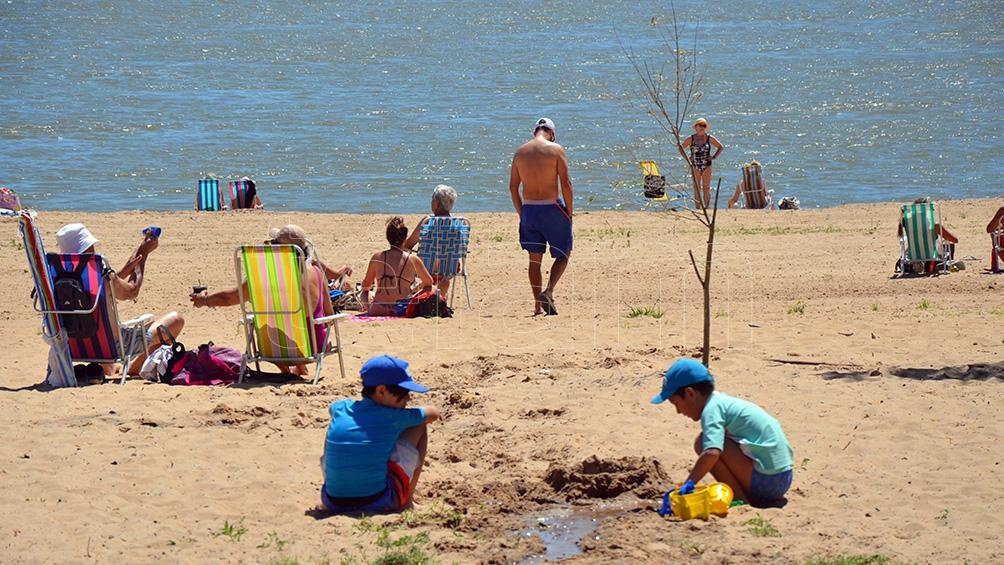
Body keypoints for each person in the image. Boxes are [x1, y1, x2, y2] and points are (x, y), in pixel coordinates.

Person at [189, 224, 332, 375]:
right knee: (290, 324)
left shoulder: (263, 277)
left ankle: (287, 371)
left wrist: (203, 300)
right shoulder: (317, 272)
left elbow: (229, 298)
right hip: (315, 348)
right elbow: (329, 315)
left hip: (275, 350)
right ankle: (300, 367)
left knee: (269, 326)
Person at [650, 358, 793, 507]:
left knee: (703, 443)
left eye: (676, 404)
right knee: (712, 441)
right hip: (783, 478)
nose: (678, 411)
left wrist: (689, 484)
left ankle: (739, 498)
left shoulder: (711, 409)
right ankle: (747, 494)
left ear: (690, 393)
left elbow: (712, 453)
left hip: (768, 482)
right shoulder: (722, 402)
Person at [55, 223, 185, 377]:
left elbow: (105, 288)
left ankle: (110, 368)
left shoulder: (56, 276)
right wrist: (144, 254)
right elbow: (132, 291)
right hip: (111, 346)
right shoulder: (101, 273)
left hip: (74, 344)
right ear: (87, 247)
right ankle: (135, 367)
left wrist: (130, 262)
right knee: (176, 319)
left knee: (113, 364)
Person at [320, 355, 440, 514]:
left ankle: (339, 485)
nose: (408, 398)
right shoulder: (393, 417)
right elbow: (433, 413)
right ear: (381, 390)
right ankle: (407, 501)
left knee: (336, 428)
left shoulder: (341, 408)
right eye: (403, 392)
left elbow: (332, 408)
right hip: (380, 501)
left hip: (332, 502)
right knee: (419, 425)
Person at [509, 117, 573, 316]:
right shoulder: (556, 150)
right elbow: (566, 184)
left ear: (534, 132)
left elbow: (513, 187)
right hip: (551, 206)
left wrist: (522, 213)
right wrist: (569, 212)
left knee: (534, 260)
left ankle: (537, 305)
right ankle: (549, 291)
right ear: (551, 133)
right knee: (563, 253)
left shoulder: (520, 152)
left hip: (529, 209)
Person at [360, 217, 434, 316]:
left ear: (388, 238)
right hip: (402, 309)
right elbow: (429, 282)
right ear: (405, 238)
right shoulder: (413, 259)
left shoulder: (377, 257)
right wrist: (415, 291)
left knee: (364, 294)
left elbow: (366, 286)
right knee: (432, 288)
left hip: (378, 309)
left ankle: (370, 308)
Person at [403, 184, 460, 295]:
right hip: (450, 268)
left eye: (432, 200)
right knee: (444, 271)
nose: (431, 203)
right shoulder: (458, 223)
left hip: (424, 267)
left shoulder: (427, 221)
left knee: (405, 255)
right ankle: (440, 296)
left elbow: (408, 245)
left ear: (437, 203)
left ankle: (414, 292)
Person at [896, 197, 959, 274]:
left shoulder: (908, 225)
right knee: (943, 242)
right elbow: (955, 240)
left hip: (914, 258)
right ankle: (944, 264)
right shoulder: (935, 226)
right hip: (933, 259)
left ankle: (922, 265)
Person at [680, 118, 724, 209]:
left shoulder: (709, 138)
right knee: (697, 188)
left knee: (706, 187)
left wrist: (714, 157)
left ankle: (707, 208)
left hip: (707, 165)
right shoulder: (691, 139)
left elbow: (720, 147)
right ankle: (698, 208)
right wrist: (688, 159)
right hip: (695, 166)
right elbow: (681, 148)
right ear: (695, 127)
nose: (702, 127)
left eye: (704, 125)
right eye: (700, 125)